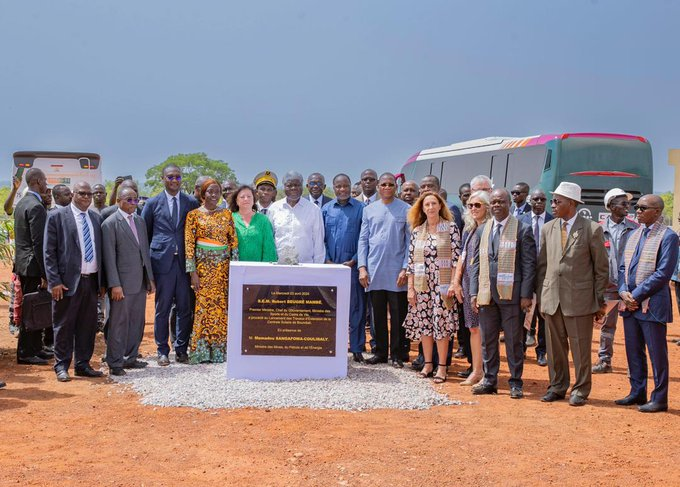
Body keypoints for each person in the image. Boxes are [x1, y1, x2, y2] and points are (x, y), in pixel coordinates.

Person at [537, 182, 608, 406]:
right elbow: (543, 266)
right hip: (552, 299)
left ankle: (581, 389)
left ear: (572, 203)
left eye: (557, 201)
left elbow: (601, 269)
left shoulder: (591, 229)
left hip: (580, 300)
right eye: (553, 200)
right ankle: (557, 386)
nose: (553, 205)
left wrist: (598, 302)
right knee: (555, 348)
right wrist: (541, 297)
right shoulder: (548, 228)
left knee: (580, 348)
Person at [469, 188, 536, 398]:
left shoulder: (522, 230)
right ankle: (490, 380)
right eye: (494, 202)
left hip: (513, 295)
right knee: (488, 340)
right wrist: (473, 292)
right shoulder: (483, 230)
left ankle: (515, 382)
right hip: (487, 294)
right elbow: (476, 264)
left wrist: (526, 295)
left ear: (509, 204)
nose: (497, 205)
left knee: (513, 340)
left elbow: (529, 264)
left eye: (502, 202)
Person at [615, 195, 678, 413]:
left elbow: (663, 273)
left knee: (657, 354)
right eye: (636, 207)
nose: (637, 211)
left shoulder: (668, 237)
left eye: (643, 208)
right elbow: (622, 268)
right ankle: (637, 391)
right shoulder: (633, 234)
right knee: (634, 351)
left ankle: (659, 399)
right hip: (630, 304)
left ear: (657, 212)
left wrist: (636, 295)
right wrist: (624, 292)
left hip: (651, 306)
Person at [44, 181, 105, 382]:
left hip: (91, 281)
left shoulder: (95, 218)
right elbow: (49, 252)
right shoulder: (57, 216)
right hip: (67, 283)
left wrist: (102, 281)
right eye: (82, 193)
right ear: (72, 194)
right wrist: (54, 282)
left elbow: (100, 252)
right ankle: (61, 366)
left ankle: (83, 364)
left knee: (87, 326)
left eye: (89, 194)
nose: (87, 197)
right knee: (63, 325)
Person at [142, 164, 199, 366]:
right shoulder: (152, 203)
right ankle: (162, 350)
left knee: (184, 308)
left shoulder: (191, 202)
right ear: (163, 179)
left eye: (177, 177)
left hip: (185, 264)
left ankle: (181, 349)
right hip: (162, 263)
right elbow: (145, 235)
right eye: (170, 177)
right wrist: (147, 268)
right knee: (162, 308)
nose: (174, 181)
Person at [404, 192, 460, 383]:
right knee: (425, 327)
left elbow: (456, 259)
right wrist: (410, 289)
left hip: (443, 286)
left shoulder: (451, 228)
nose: (430, 207)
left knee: (441, 327)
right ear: (422, 208)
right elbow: (411, 263)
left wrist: (454, 283)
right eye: (426, 204)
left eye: (433, 203)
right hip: (422, 286)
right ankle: (428, 364)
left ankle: (442, 367)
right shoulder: (417, 230)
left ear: (440, 206)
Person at [358, 173, 411, 367]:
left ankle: (397, 355)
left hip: (397, 271)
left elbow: (409, 242)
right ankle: (380, 352)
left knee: (398, 316)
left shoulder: (406, 209)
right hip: (374, 270)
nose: (387, 187)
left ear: (395, 187)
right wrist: (362, 267)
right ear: (378, 187)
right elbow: (363, 240)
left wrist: (405, 268)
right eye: (383, 184)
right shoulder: (369, 210)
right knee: (377, 315)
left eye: (390, 184)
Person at [102, 187, 155, 376]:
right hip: (121, 284)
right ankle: (115, 362)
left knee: (136, 321)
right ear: (118, 201)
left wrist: (150, 279)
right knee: (118, 323)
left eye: (135, 200)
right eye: (129, 200)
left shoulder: (140, 221)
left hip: (139, 282)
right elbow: (108, 257)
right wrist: (114, 284)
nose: (133, 203)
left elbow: (144, 253)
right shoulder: (110, 224)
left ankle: (131, 357)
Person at [185, 179, 238, 363]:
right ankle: (200, 351)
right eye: (210, 192)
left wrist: (235, 269)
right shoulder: (193, 215)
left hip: (222, 270)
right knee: (202, 309)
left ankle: (219, 351)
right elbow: (189, 246)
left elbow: (233, 243)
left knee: (220, 309)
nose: (214, 195)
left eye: (217, 192)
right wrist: (192, 273)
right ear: (203, 193)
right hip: (203, 271)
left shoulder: (227, 214)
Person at [593, 188, 637, 374]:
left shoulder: (635, 228)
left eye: (628, 203)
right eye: (623, 203)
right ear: (611, 206)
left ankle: (634, 365)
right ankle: (604, 361)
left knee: (634, 326)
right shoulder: (598, 229)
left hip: (630, 286)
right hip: (608, 286)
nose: (628, 206)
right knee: (607, 325)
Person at [322, 174, 365, 362]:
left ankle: (356, 348)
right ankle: (332, 346)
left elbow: (365, 239)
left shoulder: (361, 209)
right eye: (338, 186)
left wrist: (355, 260)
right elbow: (320, 237)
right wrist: (327, 260)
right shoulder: (326, 209)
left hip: (352, 268)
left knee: (355, 309)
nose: (342, 190)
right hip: (331, 268)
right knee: (330, 308)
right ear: (333, 187)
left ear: (350, 186)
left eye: (345, 186)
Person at [452, 190, 491, 385]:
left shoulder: (490, 228)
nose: (474, 208)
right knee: (473, 329)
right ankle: (477, 371)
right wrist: (456, 281)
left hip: (483, 287)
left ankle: (484, 371)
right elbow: (462, 257)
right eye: (470, 205)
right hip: (468, 285)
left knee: (482, 329)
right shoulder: (469, 229)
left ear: (487, 207)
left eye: (478, 205)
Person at [13, 168, 50, 365]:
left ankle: (36, 348)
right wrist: (46, 273)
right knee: (32, 310)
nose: (46, 184)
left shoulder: (22, 203)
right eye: (44, 180)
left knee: (36, 308)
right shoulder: (36, 206)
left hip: (23, 264)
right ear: (37, 181)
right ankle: (26, 352)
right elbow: (39, 243)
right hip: (32, 266)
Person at [518, 188, 553, 366]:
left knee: (543, 315)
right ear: (530, 201)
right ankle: (522, 349)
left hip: (545, 275)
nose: (539, 202)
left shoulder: (553, 221)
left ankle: (542, 352)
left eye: (542, 199)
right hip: (525, 274)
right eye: (536, 199)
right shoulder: (520, 220)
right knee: (524, 312)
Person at [268, 171, 325, 264]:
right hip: (279, 266)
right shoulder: (274, 208)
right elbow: (269, 239)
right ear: (284, 187)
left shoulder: (314, 210)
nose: (293, 188)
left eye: (297, 185)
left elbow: (319, 243)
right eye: (289, 185)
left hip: (306, 267)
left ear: (302, 186)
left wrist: (318, 268)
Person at [230, 185, 277, 262]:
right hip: (234, 269)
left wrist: (266, 271)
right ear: (236, 200)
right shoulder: (229, 219)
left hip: (257, 270)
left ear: (254, 200)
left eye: (249, 196)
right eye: (242, 197)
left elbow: (269, 249)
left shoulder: (263, 220)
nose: (246, 199)